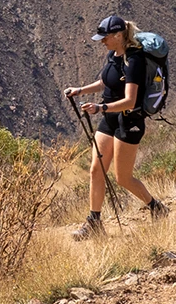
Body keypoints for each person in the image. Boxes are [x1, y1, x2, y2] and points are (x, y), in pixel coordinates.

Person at [63, 15, 168, 238]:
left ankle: (156, 207)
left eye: (105, 38)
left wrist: (100, 108)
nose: (102, 41)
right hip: (109, 118)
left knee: (123, 178)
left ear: (119, 35)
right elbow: (105, 81)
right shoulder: (113, 55)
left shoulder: (135, 59)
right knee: (96, 169)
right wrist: (79, 91)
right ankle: (94, 223)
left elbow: (130, 100)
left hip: (129, 121)